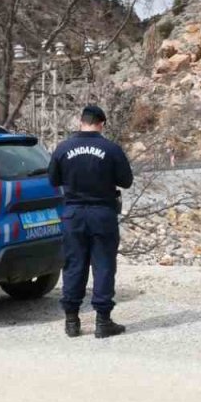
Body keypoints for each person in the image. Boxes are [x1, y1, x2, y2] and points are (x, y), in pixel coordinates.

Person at [48, 105, 133, 339]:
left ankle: (72, 321)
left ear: (81, 121)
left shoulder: (63, 148)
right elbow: (126, 181)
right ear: (102, 124)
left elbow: (53, 179)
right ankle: (103, 321)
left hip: (73, 213)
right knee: (103, 265)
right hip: (102, 213)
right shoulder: (111, 149)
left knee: (74, 265)